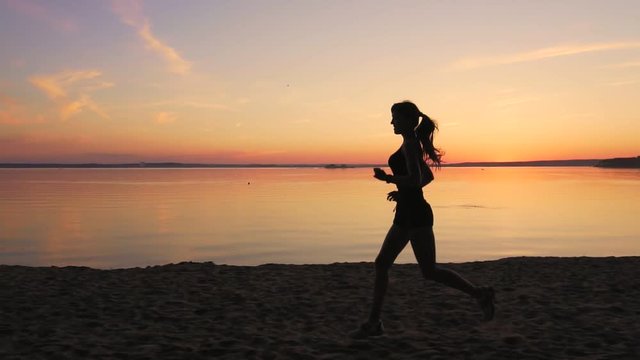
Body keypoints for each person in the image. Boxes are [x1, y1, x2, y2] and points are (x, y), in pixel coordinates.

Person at [349, 101, 495, 339]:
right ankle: (374, 322)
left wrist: (388, 179)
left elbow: (417, 179)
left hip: (416, 214)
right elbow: (426, 177)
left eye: (395, 117)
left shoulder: (409, 145)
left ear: (408, 120)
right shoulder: (411, 144)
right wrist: (402, 191)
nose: (391, 122)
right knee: (383, 264)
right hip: (407, 210)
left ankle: (480, 294)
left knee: (428, 271)